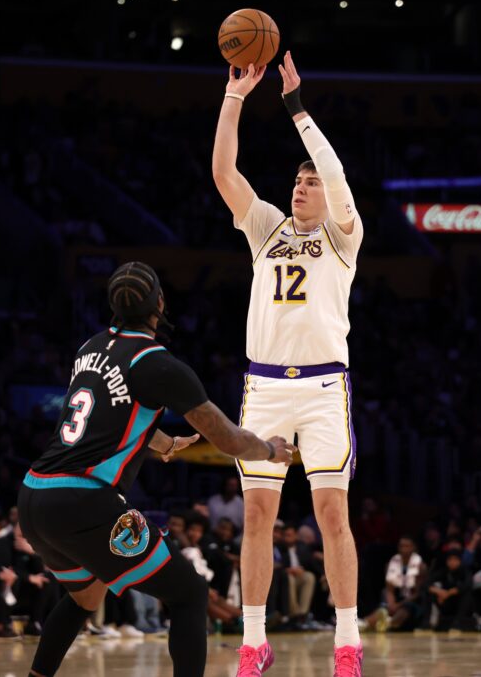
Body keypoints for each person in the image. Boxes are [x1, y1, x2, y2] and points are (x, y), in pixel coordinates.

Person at [17, 261, 294, 677]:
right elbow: (228, 439)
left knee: (85, 598)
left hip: (34, 496)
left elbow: (102, 418)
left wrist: (159, 440)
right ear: (159, 304)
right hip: (84, 500)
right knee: (189, 593)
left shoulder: (88, 348)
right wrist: (270, 450)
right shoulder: (159, 364)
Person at [213, 50, 366, 677]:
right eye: (296, 182)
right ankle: (254, 642)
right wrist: (234, 99)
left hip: (326, 388)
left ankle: (347, 643)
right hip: (266, 388)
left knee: (333, 514)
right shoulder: (267, 229)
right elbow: (224, 174)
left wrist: (295, 106)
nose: (302, 188)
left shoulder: (343, 235)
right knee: (257, 514)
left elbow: (331, 170)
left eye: (311, 185)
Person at [427, 544, 472, 631]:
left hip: (461, 605)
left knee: (467, 594)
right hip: (446, 603)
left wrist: (448, 593)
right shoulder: (444, 571)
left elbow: (467, 585)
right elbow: (426, 584)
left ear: (460, 561)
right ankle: (427, 622)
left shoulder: (465, 571)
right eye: (450, 560)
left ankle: (458, 623)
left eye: (455, 560)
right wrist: (438, 591)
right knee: (428, 593)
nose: (452, 562)